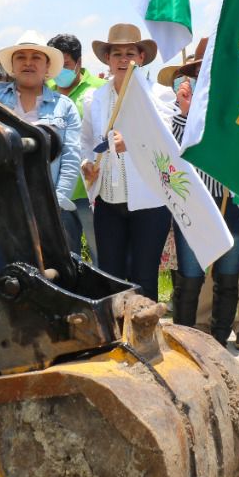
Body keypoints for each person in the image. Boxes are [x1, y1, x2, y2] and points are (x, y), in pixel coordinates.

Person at [166, 42, 239, 347]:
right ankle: (183, 342)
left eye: (211, 67)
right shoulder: (181, 108)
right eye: (199, 69)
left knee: (228, 275)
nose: (206, 73)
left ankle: (219, 342)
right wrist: (186, 113)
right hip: (195, 203)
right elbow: (173, 153)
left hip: (231, 203)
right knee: (190, 276)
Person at [80, 24, 173, 301]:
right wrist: (87, 164)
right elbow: (86, 140)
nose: (123, 60)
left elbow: (167, 140)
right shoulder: (94, 97)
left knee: (144, 276)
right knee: (110, 276)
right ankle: (116, 328)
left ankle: (144, 327)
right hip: (107, 201)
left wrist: (131, 142)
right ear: (107, 59)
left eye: (130, 53)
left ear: (141, 58)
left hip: (150, 201)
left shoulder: (159, 94)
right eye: (116, 54)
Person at [0, 32, 82, 275]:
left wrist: (56, 204)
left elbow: (71, 158)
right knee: (3, 276)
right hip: (0, 205)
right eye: (21, 57)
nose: (28, 62)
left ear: (47, 66)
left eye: (36, 57)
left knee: (55, 277)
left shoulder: (64, 106)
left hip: (49, 206)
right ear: (12, 65)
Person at [48, 32, 105, 263]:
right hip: (59, 190)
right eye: (55, 66)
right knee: (67, 257)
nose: (60, 72)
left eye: (66, 65)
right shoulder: (46, 91)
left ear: (79, 62)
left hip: (92, 188)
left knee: (100, 254)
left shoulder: (100, 89)